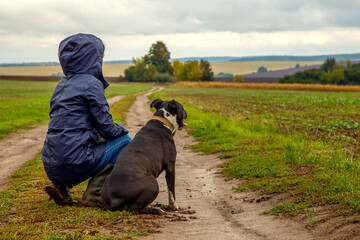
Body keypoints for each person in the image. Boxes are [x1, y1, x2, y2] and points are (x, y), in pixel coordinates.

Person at [42, 33, 131, 206]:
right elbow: (107, 128)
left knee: (72, 143)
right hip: (75, 160)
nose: (102, 62)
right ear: (92, 59)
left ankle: (60, 185)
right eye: (101, 57)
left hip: (51, 162)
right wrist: (122, 129)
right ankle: (95, 192)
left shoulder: (62, 84)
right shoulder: (91, 83)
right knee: (125, 141)